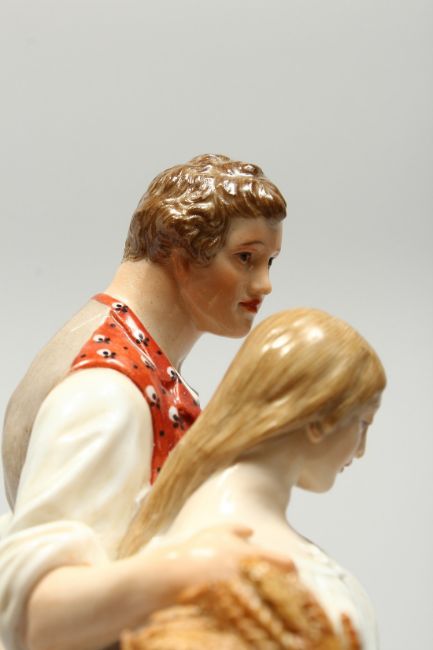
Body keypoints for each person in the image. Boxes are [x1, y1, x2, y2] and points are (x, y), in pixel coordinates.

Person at [0, 154, 286, 650]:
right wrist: (191, 567)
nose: (264, 285)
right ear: (180, 254)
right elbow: (37, 616)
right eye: (246, 258)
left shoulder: (130, 357)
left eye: (269, 263)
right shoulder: (109, 390)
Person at [117, 308, 386, 649]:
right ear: (320, 419)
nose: (360, 450)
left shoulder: (208, 531)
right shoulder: (223, 550)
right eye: (363, 423)